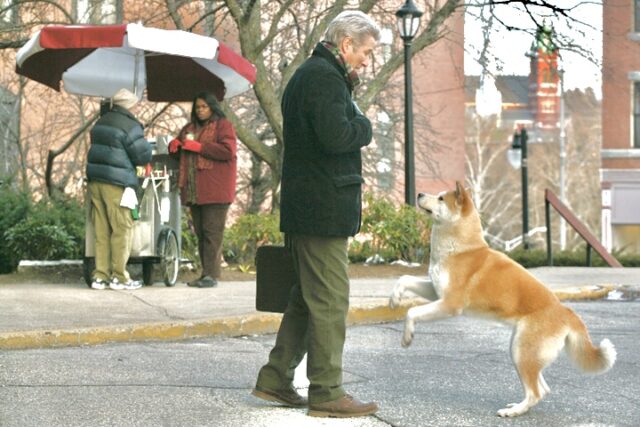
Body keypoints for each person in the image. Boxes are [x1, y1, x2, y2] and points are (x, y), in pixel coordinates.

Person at [252, 10, 380, 418]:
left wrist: (351, 102)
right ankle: (327, 392)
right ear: (346, 45)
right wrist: (366, 125)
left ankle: (274, 380)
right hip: (321, 211)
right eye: (366, 52)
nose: (367, 60)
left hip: (310, 208)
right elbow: (338, 135)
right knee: (328, 301)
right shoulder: (324, 78)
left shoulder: (314, 75)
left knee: (307, 301)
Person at [168, 91, 237, 288]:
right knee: (200, 232)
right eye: (197, 107)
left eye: (204, 107)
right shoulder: (189, 128)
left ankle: (211, 275)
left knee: (212, 233)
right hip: (194, 189)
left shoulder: (224, 126)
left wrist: (199, 147)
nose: (200, 110)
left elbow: (227, 151)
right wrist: (174, 146)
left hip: (216, 189)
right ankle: (205, 273)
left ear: (212, 107)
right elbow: (182, 154)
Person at [87, 88, 152, 290]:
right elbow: (142, 156)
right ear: (130, 105)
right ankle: (119, 277)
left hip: (95, 181)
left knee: (102, 230)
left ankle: (100, 276)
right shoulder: (130, 125)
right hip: (118, 183)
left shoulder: (100, 122)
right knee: (122, 229)